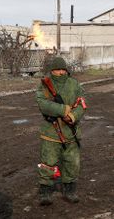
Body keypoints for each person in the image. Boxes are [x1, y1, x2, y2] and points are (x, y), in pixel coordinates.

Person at [36, 56, 87, 206]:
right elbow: (42, 104)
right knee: (48, 163)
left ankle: (69, 191)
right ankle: (45, 193)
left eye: (62, 69)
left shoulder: (74, 84)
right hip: (50, 132)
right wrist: (63, 110)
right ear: (52, 70)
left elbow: (82, 104)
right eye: (57, 69)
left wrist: (72, 116)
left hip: (72, 132)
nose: (60, 72)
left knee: (72, 163)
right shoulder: (45, 85)